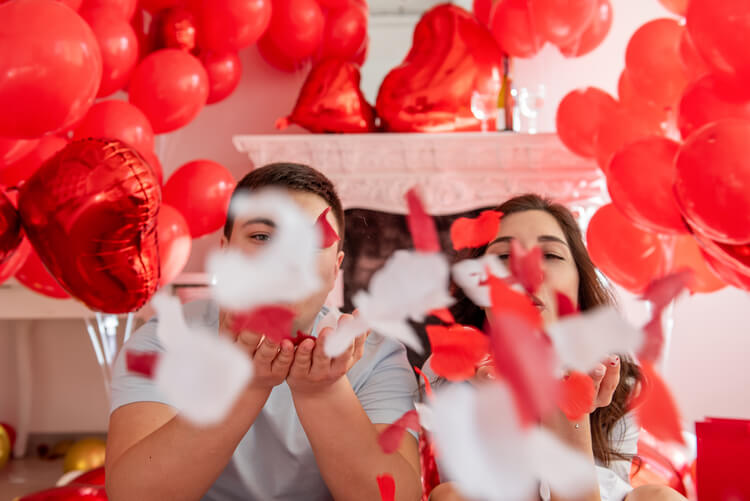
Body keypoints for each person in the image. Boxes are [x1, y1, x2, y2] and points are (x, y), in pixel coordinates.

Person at [105, 163, 422, 501]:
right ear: (225, 251)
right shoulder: (163, 342)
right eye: (261, 236)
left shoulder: (378, 355)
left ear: (335, 268)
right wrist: (245, 386)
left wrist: (322, 392)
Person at [424, 194, 687, 501]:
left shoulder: (615, 377)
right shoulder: (448, 369)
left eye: (550, 255)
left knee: (660, 497)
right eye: (502, 257)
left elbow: (604, 486)